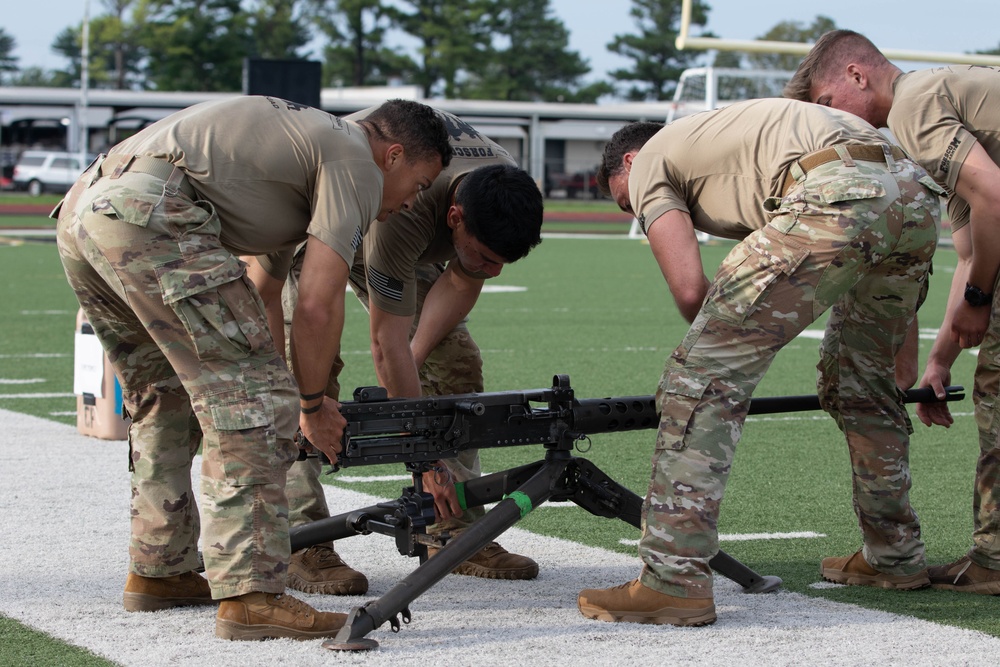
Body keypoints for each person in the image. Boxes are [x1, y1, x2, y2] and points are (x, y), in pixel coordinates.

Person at [54, 96, 451, 640]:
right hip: (151, 213)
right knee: (258, 403)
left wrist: (281, 380)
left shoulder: (296, 152)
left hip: (87, 210)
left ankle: (161, 568)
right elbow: (315, 303)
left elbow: (265, 293)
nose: (412, 204)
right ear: (395, 155)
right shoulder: (356, 158)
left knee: (166, 395)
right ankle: (252, 595)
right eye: (421, 185)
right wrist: (306, 404)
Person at [576, 98, 941, 627]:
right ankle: (895, 555)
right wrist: (888, 364)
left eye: (624, 202)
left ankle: (673, 581)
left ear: (628, 163)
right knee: (861, 384)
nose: (634, 213)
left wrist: (724, 350)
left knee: (697, 383)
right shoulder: (729, 138)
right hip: (915, 196)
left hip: (836, 193)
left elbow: (689, 290)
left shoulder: (652, 158)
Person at [245, 108, 544, 595]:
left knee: (457, 364)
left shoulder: (499, 185)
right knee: (311, 378)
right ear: (455, 218)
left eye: (502, 262)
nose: (493, 272)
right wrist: (423, 457)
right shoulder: (404, 214)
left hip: (393, 225)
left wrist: (418, 356)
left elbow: (462, 281)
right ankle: (300, 539)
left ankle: (452, 524)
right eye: (486, 257)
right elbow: (386, 345)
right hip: (312, 233)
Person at [784, 29, 1000, 595]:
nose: (834, 121)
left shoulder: (915, 103)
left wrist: (979, 300)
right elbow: (975, 249)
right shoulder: (952, 123)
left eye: (829, 104)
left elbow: (995, 198)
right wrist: (940, 361)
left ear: (857, 74)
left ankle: (995, 562)